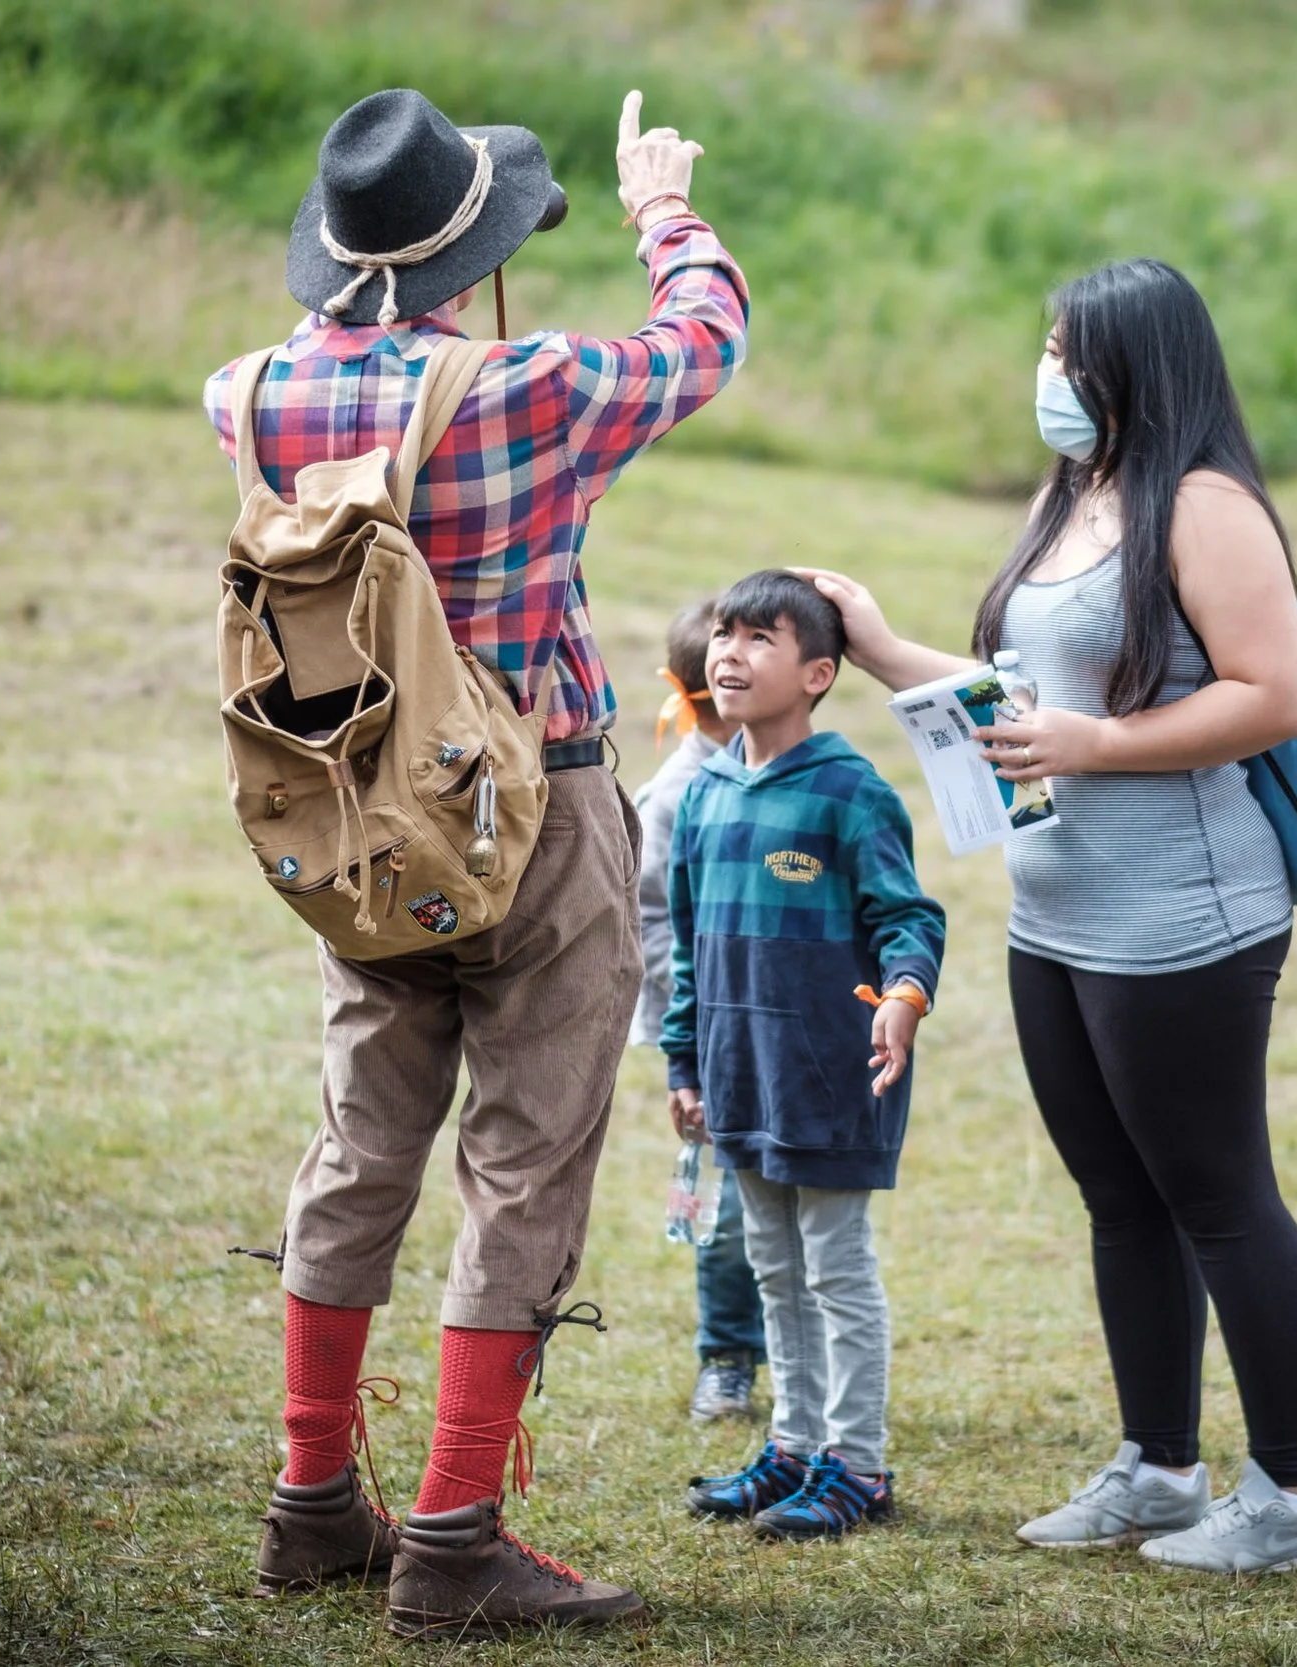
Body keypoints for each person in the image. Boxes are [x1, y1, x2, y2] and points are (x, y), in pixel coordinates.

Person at [204, 86, 746, 1638]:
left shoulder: (245, 396)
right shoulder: (534, 387)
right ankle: (452, 1537)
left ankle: (313, 1500)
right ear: (472, 255)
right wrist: (663, 208)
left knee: (359, 1140)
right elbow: (706, 337)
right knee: (523, 1162)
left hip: (359, 825)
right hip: (538, 813)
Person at [802, 258, 1297, 1574]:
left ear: (1132, 363)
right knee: (1120, 1195)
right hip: (1055, 907)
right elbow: (1030, 695)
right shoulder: (1077, 488)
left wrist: (1098, 743)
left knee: (1219, 1194)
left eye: (1067, 348)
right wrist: (883, 649)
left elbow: (1274, 694)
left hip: (1183, 913)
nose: (1048, 368)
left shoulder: (1206, 505)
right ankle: (1159, 1467)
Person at [665, 572, 946, 1540]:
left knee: (833, 1269)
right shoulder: (703, 793)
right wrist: (685, 1063)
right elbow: (688, 947)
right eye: (723, 633)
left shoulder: (849, 791)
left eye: (760, 638)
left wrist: (905, 994)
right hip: (740, 1072)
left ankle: (857, 1465)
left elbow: (909, 916)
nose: (730, 653)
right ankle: (794, 1448)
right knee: (773, 1268)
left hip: (830, 1073)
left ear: (818, 673)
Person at [630, 597, 771, 1424]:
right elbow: (647, 917)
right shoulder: (676, 796)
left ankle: (794, 1346)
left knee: (789, 1193)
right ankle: (727, 1356)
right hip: (713, 1031)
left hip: (786, 1025)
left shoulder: (790, 773)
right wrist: (701, 1004)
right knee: (728, 1206)